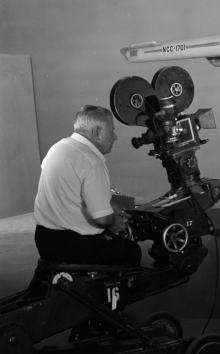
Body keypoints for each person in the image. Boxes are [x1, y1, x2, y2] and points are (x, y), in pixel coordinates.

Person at [33, 105, 141, 267]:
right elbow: (103, 220)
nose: (115, 136)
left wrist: (109, 206)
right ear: (97, 133)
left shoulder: (58, 148)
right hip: (73, 245)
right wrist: (115, 222)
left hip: (44, 239)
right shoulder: (92, 161)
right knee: (132, 251)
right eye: (112, 130)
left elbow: (70, 192)